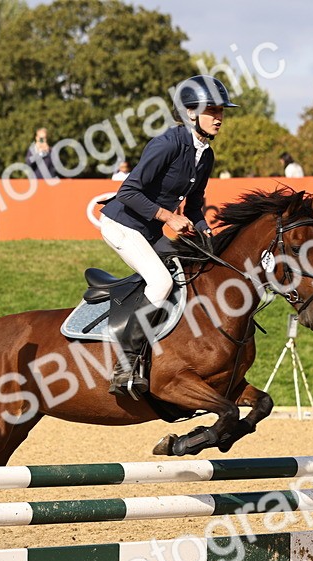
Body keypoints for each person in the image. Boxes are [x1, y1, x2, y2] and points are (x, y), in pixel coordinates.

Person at [99, 74, 235, 396]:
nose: (219, 118)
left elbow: (196, 205)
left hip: (145, 228)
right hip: (121, 224)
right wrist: (167, 217)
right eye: (211, 110)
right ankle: (125, 364)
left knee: (192, 271)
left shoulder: (206, 155)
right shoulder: (167, 144)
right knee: (161, 282)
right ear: (190, 113)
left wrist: (207, 233)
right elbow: (128, 191)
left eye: (222, 111)